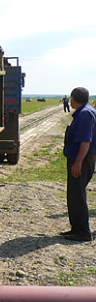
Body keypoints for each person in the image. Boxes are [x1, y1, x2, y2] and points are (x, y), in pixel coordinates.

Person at [62, 87, 96, 241]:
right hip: (84, 159)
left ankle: (83, 232)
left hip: (80, 160)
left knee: (77, 195)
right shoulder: (88, 111)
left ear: (73, 99)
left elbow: (85, 141)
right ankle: (76, 228)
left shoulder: (84, 115)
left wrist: (78, 163)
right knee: (75, 194)